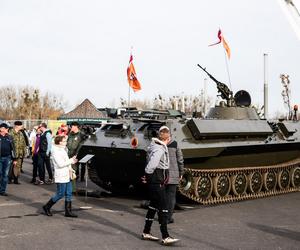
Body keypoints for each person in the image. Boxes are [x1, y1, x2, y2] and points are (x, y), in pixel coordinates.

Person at [142, 125, 180, 246]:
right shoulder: (159, 148)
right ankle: (165, 236)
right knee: (163, 207)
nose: (169, 140)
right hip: (157, 180)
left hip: (156, 179)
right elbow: (152, 164)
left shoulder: (155, 145)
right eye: (168, 137)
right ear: (166, 138)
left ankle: (146, 232)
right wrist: (148, 175)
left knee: (153, 206)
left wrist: (147, 177)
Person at [42, 135, 78, 217]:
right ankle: (47, 207)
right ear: (60, 142)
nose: (66, 142)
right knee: (60, 193)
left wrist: (70, 168)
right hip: (61, 175)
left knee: (69, 193)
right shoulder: (55, 151)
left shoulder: (63, 149)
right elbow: (60, 164)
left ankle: (68, 211)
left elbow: (66, 160)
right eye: (65, 141)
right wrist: (71, 161)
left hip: (67, 174)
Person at [165, 127, 184, 224]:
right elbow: (180, 160)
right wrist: (181, 173)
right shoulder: (175, 144)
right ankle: (169, 217)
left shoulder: (158, 145)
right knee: (171, 196)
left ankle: (163, 216)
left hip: (161, 175)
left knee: (162, 196)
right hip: (173, 175)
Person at [0, 123, 16, 196]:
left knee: (5, 175)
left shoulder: (10, 137)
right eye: (6, 128)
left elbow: (13, 148)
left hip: (7, 158)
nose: (8, 130)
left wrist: (15, 159)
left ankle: (2, 190)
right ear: (2, 129)